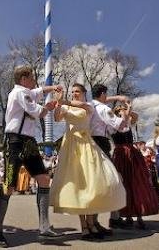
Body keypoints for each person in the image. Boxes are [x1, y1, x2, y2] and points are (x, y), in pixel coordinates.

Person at [0, 65, 62, 247]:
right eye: (32, 78)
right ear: (24, 78)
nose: (34, 81)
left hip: (29, 142)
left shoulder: (27, 91)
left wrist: (52, 88)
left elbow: (39, 91)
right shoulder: (20, 93)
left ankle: (44, 227)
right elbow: (37, 111)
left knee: (44, 179)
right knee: (9, 186)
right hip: (15, 142)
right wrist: (49, 105)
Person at [50, 84, 126, 240]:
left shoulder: (89, 106)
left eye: (77, 91)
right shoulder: (66, 107)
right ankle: (84, 227)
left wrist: (64, 101)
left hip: (87, 145)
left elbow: (83, 106)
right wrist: (58, 104)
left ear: (84, 93)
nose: (74, 94)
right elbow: (57, 118)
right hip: (71, 146)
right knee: (78, 185)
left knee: (92, 184)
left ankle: (92, 224)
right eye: (72, 92)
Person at [109, 104, 159, 230]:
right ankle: (126, 216)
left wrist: (128, 109)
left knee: (137, 183)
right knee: (124, 184)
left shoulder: (128, 122)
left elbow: (135, 117)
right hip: (121, 154)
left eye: (122, 109)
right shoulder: (113, 124)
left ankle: (139, 215)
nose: (122, 111)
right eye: (119, 110)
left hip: (133, 155)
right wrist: (121, 113)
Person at [89, 83, 131, 234]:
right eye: (106, 95)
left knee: (98, 183)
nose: (107, 98)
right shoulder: (104, 109)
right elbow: (120, 125)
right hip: (100, 143)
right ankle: (108, 219)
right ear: (102, 94)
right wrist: (126, 111)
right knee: (111, 180)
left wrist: (118, 97)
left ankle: (94, 222)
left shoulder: (90, 105)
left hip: (91, 143)